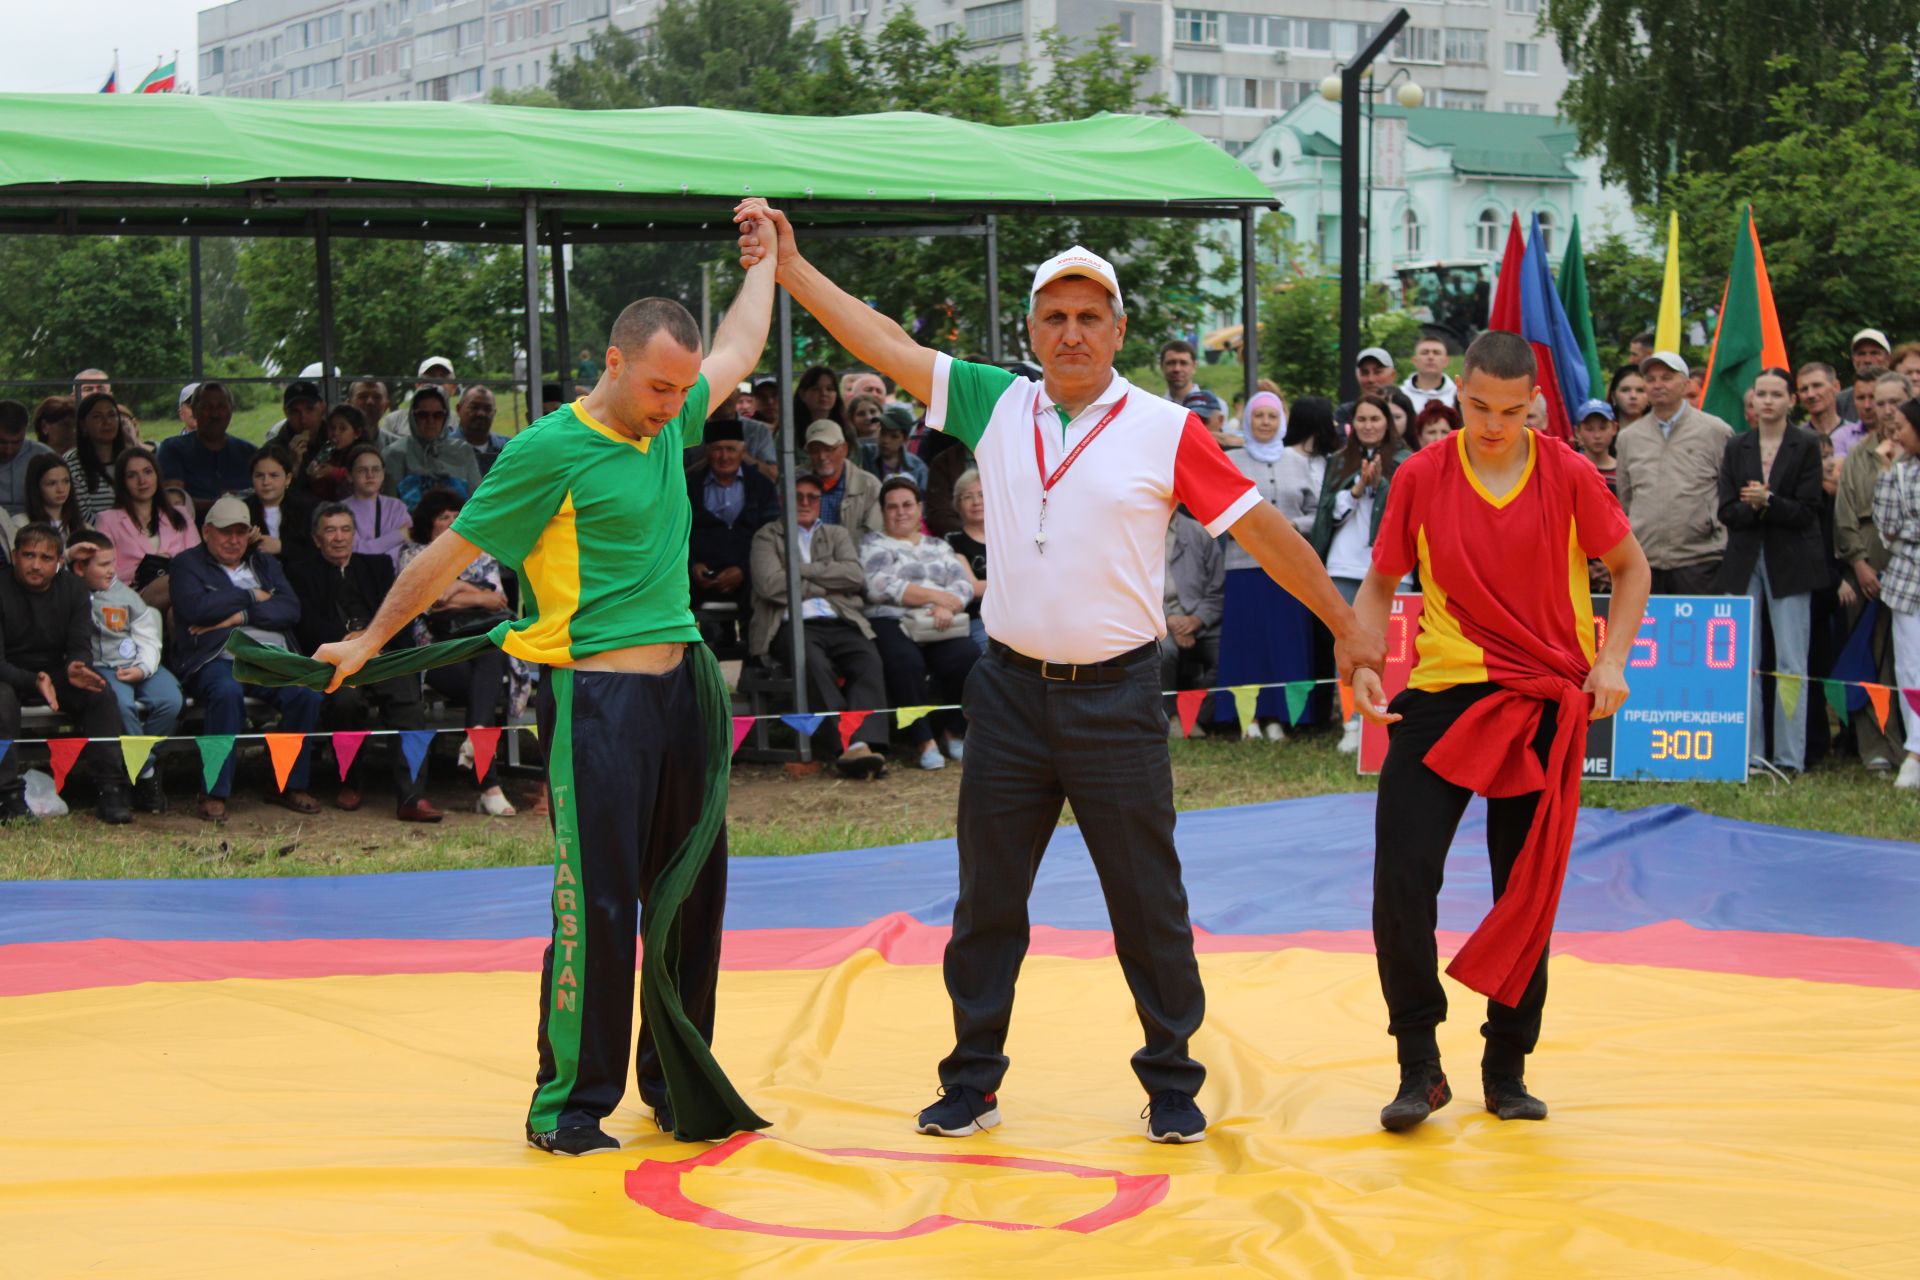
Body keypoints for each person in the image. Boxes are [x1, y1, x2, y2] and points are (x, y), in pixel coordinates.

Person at [741, 197, 1385, 1144]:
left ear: (1118, 330)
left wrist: (1345, 625)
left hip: (1117, 697)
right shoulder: (996, 401)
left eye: (1091, 317)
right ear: (1033, 330)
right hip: (1007, 693)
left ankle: (1172, 1079)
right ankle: (971, 1079)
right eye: (1056, 317)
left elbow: (1261, 530)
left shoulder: (1165, 428)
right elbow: (881, 343)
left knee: (1147, 901)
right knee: (986, 900)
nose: (1074, 332)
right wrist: (793, 271)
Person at [312, 236, 778, 1153]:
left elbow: (741, 344)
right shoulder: (546, 451)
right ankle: (568, 1104)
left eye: (683, 390)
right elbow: (445, 556)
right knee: (597, 903)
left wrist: (764, 258)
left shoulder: (673, 413)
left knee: (691, 898)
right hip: (596, 704)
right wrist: (370, 637)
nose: (675, 406)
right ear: (614, 362)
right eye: (657, 387)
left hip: (685, 692)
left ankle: (677, 1084)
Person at [1351, 330, 1650, 1132]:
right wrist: (1366, 660)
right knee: (1401, 879)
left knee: (1527, 889)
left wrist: (1611, 659)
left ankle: (1507, 1065)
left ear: (1534, 406)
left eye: (1510, 411)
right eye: (1478, 406)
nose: (1491, 424)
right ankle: (1420, 1064)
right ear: (1459, 394)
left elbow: (1632, 569)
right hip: (1447, 690)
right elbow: (1379, 584)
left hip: (1546, 695)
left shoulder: (1569, 472)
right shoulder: (1422, 474)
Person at [170, 496, 324, 821]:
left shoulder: (264, 563)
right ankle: (213, 791)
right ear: (206, 532)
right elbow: (196, 610)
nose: (234, 540)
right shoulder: (187, 564)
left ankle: (287, 784)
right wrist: (253, 596)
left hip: (271, 657)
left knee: (306, 692)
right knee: (226, 693)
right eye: (226, 532)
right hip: (215, 657)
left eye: (241, 532)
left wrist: (236, 616)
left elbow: (289, 609)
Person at [288, 503, 441, 822]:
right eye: (330, 530)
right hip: (336, 662)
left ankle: (412, 796)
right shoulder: (302, 571)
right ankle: (350, 782)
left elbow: (398, 612)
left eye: (345, 529)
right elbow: (303, 623)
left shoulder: (377, 566)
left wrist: (373, 642)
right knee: (345, 702)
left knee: (409, 703)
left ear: (355, 535)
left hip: (380, 655)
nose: (339, 537)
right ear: (318, 539)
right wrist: (344, 645)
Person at [1713, 369, 1824, 774]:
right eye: (1761, 394)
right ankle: (1749, 754)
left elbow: (1809, 510)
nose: (1768, 401)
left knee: (1792, 662)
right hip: (1743, 563)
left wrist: (1769, 501)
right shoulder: (1737, 446)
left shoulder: (1806, 444)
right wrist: (1754, 506)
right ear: (1753, 399)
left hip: (1791, 563)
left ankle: (1789, 758)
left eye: (1777, 394)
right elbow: (1727, 511)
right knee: (1745, 661)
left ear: (1791, 400)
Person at [748, 471, 890, 778]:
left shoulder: (836, 534)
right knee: (811, 663)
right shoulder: (766, 536)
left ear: (820, 502)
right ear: (783, 499)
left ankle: (865, 742)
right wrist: (826, 583)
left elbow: (853, 575)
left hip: (839, 618)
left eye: (812, 497)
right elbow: (771, 585)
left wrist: (800, 571)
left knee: (867, 659)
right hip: (790, 624)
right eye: (798, 496)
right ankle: (848, 746)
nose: (805, 502)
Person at [394, 490, 523, 817]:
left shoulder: (482, 552)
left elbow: (500, 602)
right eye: (443, 517)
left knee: (490, 656)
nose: (452, 522)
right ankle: (486, 781)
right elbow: (430, 601)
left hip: (478, 645)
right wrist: (477, 592)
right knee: (486, 685)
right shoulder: (413, 554)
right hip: (436, 651)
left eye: (456, 514)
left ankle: (486, 778)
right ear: (428, 523)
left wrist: (454, 590)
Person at [1219, 391, 1337, 739]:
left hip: (1289, 567)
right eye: (1259, 416)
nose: (1266, 422)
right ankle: (1248, 718)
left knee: (1285, 640)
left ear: (1282, 421)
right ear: (1248, 420)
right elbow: (1218, 505)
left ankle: (1281, 717)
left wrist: (1293, 526)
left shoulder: (1296, 461)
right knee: (1248, 642)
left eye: (1272, 416)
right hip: (1244, 564)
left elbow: (1318, 514)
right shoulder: (1232, 459)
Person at [0, 523, 134, 823]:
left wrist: (77, 665)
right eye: (28, 555)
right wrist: (31, 679)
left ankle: (110, 789)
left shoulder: (73, 589)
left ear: (60, 562)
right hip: (8, 674)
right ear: (13, 556)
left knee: (99, 693)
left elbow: (80, 643)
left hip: (56, 673)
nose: (36, 565)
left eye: (46, 558)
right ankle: (7, 796)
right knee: (0, 700)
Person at [1311, 393, 1411, 752]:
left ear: (1388, 423)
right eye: (1363, 420)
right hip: (1345, 563)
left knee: (1390, 648)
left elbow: (1409, 513)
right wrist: (1356, 489)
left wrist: (1381, 485)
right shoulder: (1340, 460)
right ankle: (1352, 720)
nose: (1369, 426)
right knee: (1349, 645)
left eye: (1376, 419)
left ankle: (1394, 715)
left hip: (1390, 568)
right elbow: (1327, 513)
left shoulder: (1406, 462)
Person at [860, 476, 980, 770]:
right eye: (892, 507)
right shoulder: (872, 544)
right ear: (883, 511)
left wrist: (944, 605)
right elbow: (877, 586)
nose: (900, 512)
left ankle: (954, 730)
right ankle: (923, 739)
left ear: (919, 509)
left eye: (907, 505)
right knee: (905, 662)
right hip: (893, 620)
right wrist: (936, 597)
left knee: (967, 657)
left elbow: (963, 586)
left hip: (940, 621)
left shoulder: (938, 546)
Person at [66, 530, 177, 813]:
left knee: (171, 701)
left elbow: (149, 637)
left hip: (140, 665)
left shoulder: (126, 596)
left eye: (112, 562)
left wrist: (142, 669)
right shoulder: (66, 588)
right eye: (103, 565)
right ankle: (147, 774)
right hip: (102, 668)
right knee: (122, 707)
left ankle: (140, 765)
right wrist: (66, 557)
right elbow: (48, 573)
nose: (112, 570)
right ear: (80, 568)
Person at [1613, 352, 1734, 595]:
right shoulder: (1628, 437)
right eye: (1651, 379)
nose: (1657, 385)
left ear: (1686, 384)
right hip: (1644, 560)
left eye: (1666, 378)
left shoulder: (1715, 431)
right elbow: (1625, 499)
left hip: (1700, 559)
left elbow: (1728, 492)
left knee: (1697, 633)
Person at [1835, 394, 1905, 770]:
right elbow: (1843, 515)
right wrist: (1859, 564)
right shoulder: (1859, 455)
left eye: (1897, 401)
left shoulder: (1913, 455)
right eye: (1881, 402)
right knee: (1869, 657)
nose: (1888, 409)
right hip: (1866, 564)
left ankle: (1908, 745)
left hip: (1909, 564)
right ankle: (1875, 746)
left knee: (1905, 662)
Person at [1872, 398, 1920, 789]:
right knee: (1910, 668)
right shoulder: (1900, 471)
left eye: (1902, 426)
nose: (1896, 434)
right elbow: (1887, 528)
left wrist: (1909, 529)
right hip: (1907, 583)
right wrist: (1887, 470)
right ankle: (1917, 750)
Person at [687, 418, 781, 619]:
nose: (724, 457)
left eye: (731, 449)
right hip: (698, 574)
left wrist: (743, 569)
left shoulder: (762, 486)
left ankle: (756, 649)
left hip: (750, 573)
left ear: (743, 451)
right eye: (717, 449)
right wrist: (692, 565)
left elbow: (771, 533)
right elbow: (675, 534)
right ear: (707, 452)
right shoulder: (689, 486)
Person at [94, 447, 199, 611]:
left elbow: (198, 558)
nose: (142, 480)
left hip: (181, 595)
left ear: (157, 475)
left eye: (147, 472)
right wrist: (143, 570)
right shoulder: (107, 520)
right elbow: (102, 570)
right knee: (179, 580)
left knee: (177, 609)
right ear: (123, 482)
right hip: (134, 593)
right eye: (132, 475)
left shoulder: (180, 514)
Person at [1160, 507, 1225, 726]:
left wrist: (1197, 619)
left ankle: (1195, 715)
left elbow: (1218, 587)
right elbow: (1134, 586)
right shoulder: (1137, 532)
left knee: (1231, 652)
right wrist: (1169, 619)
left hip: (1201, 618)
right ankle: (1167, 717)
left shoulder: (1199, 532)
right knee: (1163, 653)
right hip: (1159, 620)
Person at [157, 383, 257, 517]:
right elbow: (174, 502)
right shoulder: (172, 449)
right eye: (206, 407)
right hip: (189, 532)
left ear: (231, 410)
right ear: (194, 411)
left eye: (221, 407)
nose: (214, 414)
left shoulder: (249, 453)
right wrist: (222, 503)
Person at [384, 386, 482, 508]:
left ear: (446, 417)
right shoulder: (394, 454)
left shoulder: (462, 451)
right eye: (423, 415)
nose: (430, 421)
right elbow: (388, 507)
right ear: (413, 416)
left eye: (438, 415)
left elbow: (477, 501)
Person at [805, 420, 884, 536]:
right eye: (815, 450)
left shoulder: (870, 486)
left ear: (844, 449)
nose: (822, 456)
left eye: (829, 449)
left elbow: (874, 537)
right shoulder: (794, 483)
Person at [244, 444, 317, 568]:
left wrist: (282, 547)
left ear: (288, 479)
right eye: (259, 475)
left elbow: (318, 551)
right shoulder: (242, 511)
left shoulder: (309, 508)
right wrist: (246, 543)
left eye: (274, 475)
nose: (266, 482)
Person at [339, 444, 412, 565]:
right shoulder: (340, 510)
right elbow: (354, 550)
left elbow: (406, 549)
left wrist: (369, 546)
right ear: (349, 476)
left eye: (376, 469)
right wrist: (398, 534)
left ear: (383, 474)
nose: (370, 475)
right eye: (362, 470)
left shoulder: (397, 507)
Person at [944, 468, 990, 652]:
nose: (976, 502)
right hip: (978, 618)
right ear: (958, 504)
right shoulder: (953, 540)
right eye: (967, 497)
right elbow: (972, 588)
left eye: (981, 494)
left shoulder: (1008, 537)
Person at [65, 391, 127, 524]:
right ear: (83, 425)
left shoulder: (131, 459)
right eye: (97, 417)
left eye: (112, 415)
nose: (107, 422)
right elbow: (82, 516)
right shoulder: (73, 464)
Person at [1160, 340, 1228, 443]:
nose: (1177, 369)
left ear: (1194, 366)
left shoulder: (1217, 406)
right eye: (1171, 363)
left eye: (1183, 363)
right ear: (1161, 366)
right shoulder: (1157, 407)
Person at [11, 454, 88, 546]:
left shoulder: (84, 527)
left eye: (66, 481)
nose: (61, 489)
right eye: (51, 483)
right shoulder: (21, 524)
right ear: (36, 487)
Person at [302, 404, 371, 501]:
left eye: (342, 429)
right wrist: (316, 477)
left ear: (357, 433)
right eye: (332, 428)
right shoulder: (328, 453)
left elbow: (361, 480)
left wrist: (333, 473)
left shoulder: (365, 455)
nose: (335, 433)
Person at [380, 356, 459, 442]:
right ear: (418, 385)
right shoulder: (394, 421)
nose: (436, 383)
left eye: (443, 378)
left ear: (454, 387)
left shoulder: (461, 423)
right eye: (430, 378)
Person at [0, 400, 55, 521]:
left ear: (25, 430)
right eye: (2, 442)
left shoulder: (43, 455)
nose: (8, 450)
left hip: (35, 523)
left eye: (16, 442)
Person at [1795, 362, 1857, 457]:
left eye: (1817, 386)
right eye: (1804, 389)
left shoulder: (1856, 435)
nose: (1810, 394)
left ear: (1836, 387)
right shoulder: (1795, 440)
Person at [1836, 328, 1891, 421]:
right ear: (1853, 360)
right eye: (1861, 354)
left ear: (1888, 359)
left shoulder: (1904, 394)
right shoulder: (1840, 401)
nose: (1867, 360)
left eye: (1874, 353)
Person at [868, 408, 929, 491]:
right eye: (883, 433)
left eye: (894, 436)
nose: (885, 440)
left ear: (905, 440)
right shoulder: (864, 454)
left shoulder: (918, 468)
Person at [1339, 347, 1400, 426]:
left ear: (1393, 375)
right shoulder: (1345, 413)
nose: (1371, 379)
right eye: (1364, 373)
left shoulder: (1406, 410)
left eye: (1378, 372)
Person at [456, 386, 509, 476]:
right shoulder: (443, 449)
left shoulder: (508, 449)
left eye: (487, 409)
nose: (481, 413)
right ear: (458, 409)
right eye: (474, 407)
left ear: (494, 413)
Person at [1402, 337, 1457, 414]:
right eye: (1424, 353)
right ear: (1414, 361)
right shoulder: (1401, 394)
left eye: (1436, 353)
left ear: (1446, 361)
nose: (1430, 357)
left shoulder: (1458, 396)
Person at [1573, 400, 1618, 491]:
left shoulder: (1622, 471)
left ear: (1614, 428)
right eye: (1589, 429)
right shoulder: (1572, 470)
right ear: (1577, 432)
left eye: (1603, 428)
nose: (1597, 435)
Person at [792, 364, 845, 439]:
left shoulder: (846, 428)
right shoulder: (789, 431)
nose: (824, 393)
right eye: (816, 389)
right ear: (802, 394)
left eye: (829, 389)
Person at [1607, 365, 1649, 430]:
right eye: (1625, 390)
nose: (1633, 396)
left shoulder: (1662, 433)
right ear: (1613, 396)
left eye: (1640, 390)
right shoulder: (1601, 436)